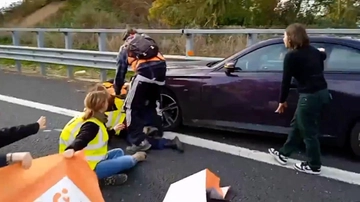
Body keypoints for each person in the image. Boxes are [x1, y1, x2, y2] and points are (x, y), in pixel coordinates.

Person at [268, 23, 330, 175]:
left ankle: (314, 165)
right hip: (322, 93)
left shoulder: (291, 56)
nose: (283, 38)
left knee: (308, 131)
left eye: (284, 35)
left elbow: (286, 81)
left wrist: (282, 101)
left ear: (291, 38)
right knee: (298, 124)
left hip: (309, 97)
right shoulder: (313, 51)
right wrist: (322, 53)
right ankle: (283, 154)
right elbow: (322, 55)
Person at [59, 90, 146, 186]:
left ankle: (105, 173)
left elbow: (96, 136)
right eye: (106, 101)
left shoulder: (90, 116)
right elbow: (82, 138)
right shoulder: (92, 125)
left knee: (118, 152)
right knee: (129, 161)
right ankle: (100, 179)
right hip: (87, 167)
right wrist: (72, 148)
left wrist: (113, 130)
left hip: (84, 160)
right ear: (102, 105)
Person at [114, 28, 167, 153]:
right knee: (151, 103)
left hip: (144, 74)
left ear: (126, 37)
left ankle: (138, 142)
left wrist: (117, 89)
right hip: (161, 72)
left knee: (130, 107)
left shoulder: (125, 47)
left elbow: (120, 71)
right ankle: (155, 129)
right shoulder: (147, 39)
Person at [93, 81, 184, 152]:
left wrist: (128, 85)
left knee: (145, 110)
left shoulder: (111, 91)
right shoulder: (96, 116)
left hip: (133, 117)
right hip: (123, 129)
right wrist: (114, 130)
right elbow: (104, 136)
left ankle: (151, 129)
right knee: (136, 140)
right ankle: (169, 142)